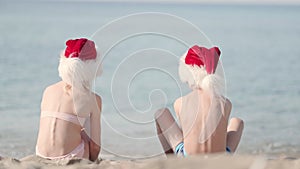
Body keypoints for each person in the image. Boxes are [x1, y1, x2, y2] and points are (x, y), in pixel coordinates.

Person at [155, 45, 244, 157]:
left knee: (160, 113)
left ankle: (172, 160)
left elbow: (186, 135)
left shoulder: (180, 102)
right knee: (237, 122)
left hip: (189, 159)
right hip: (221, 158)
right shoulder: (225, 103)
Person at [35, 38, 102, 161]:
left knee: (73, 125)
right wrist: (92, 161)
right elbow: (95, 147)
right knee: (87, 138)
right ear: (92, 67)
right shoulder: (92, 99)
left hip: (40, 154)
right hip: (69, 157)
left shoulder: (48, 90)